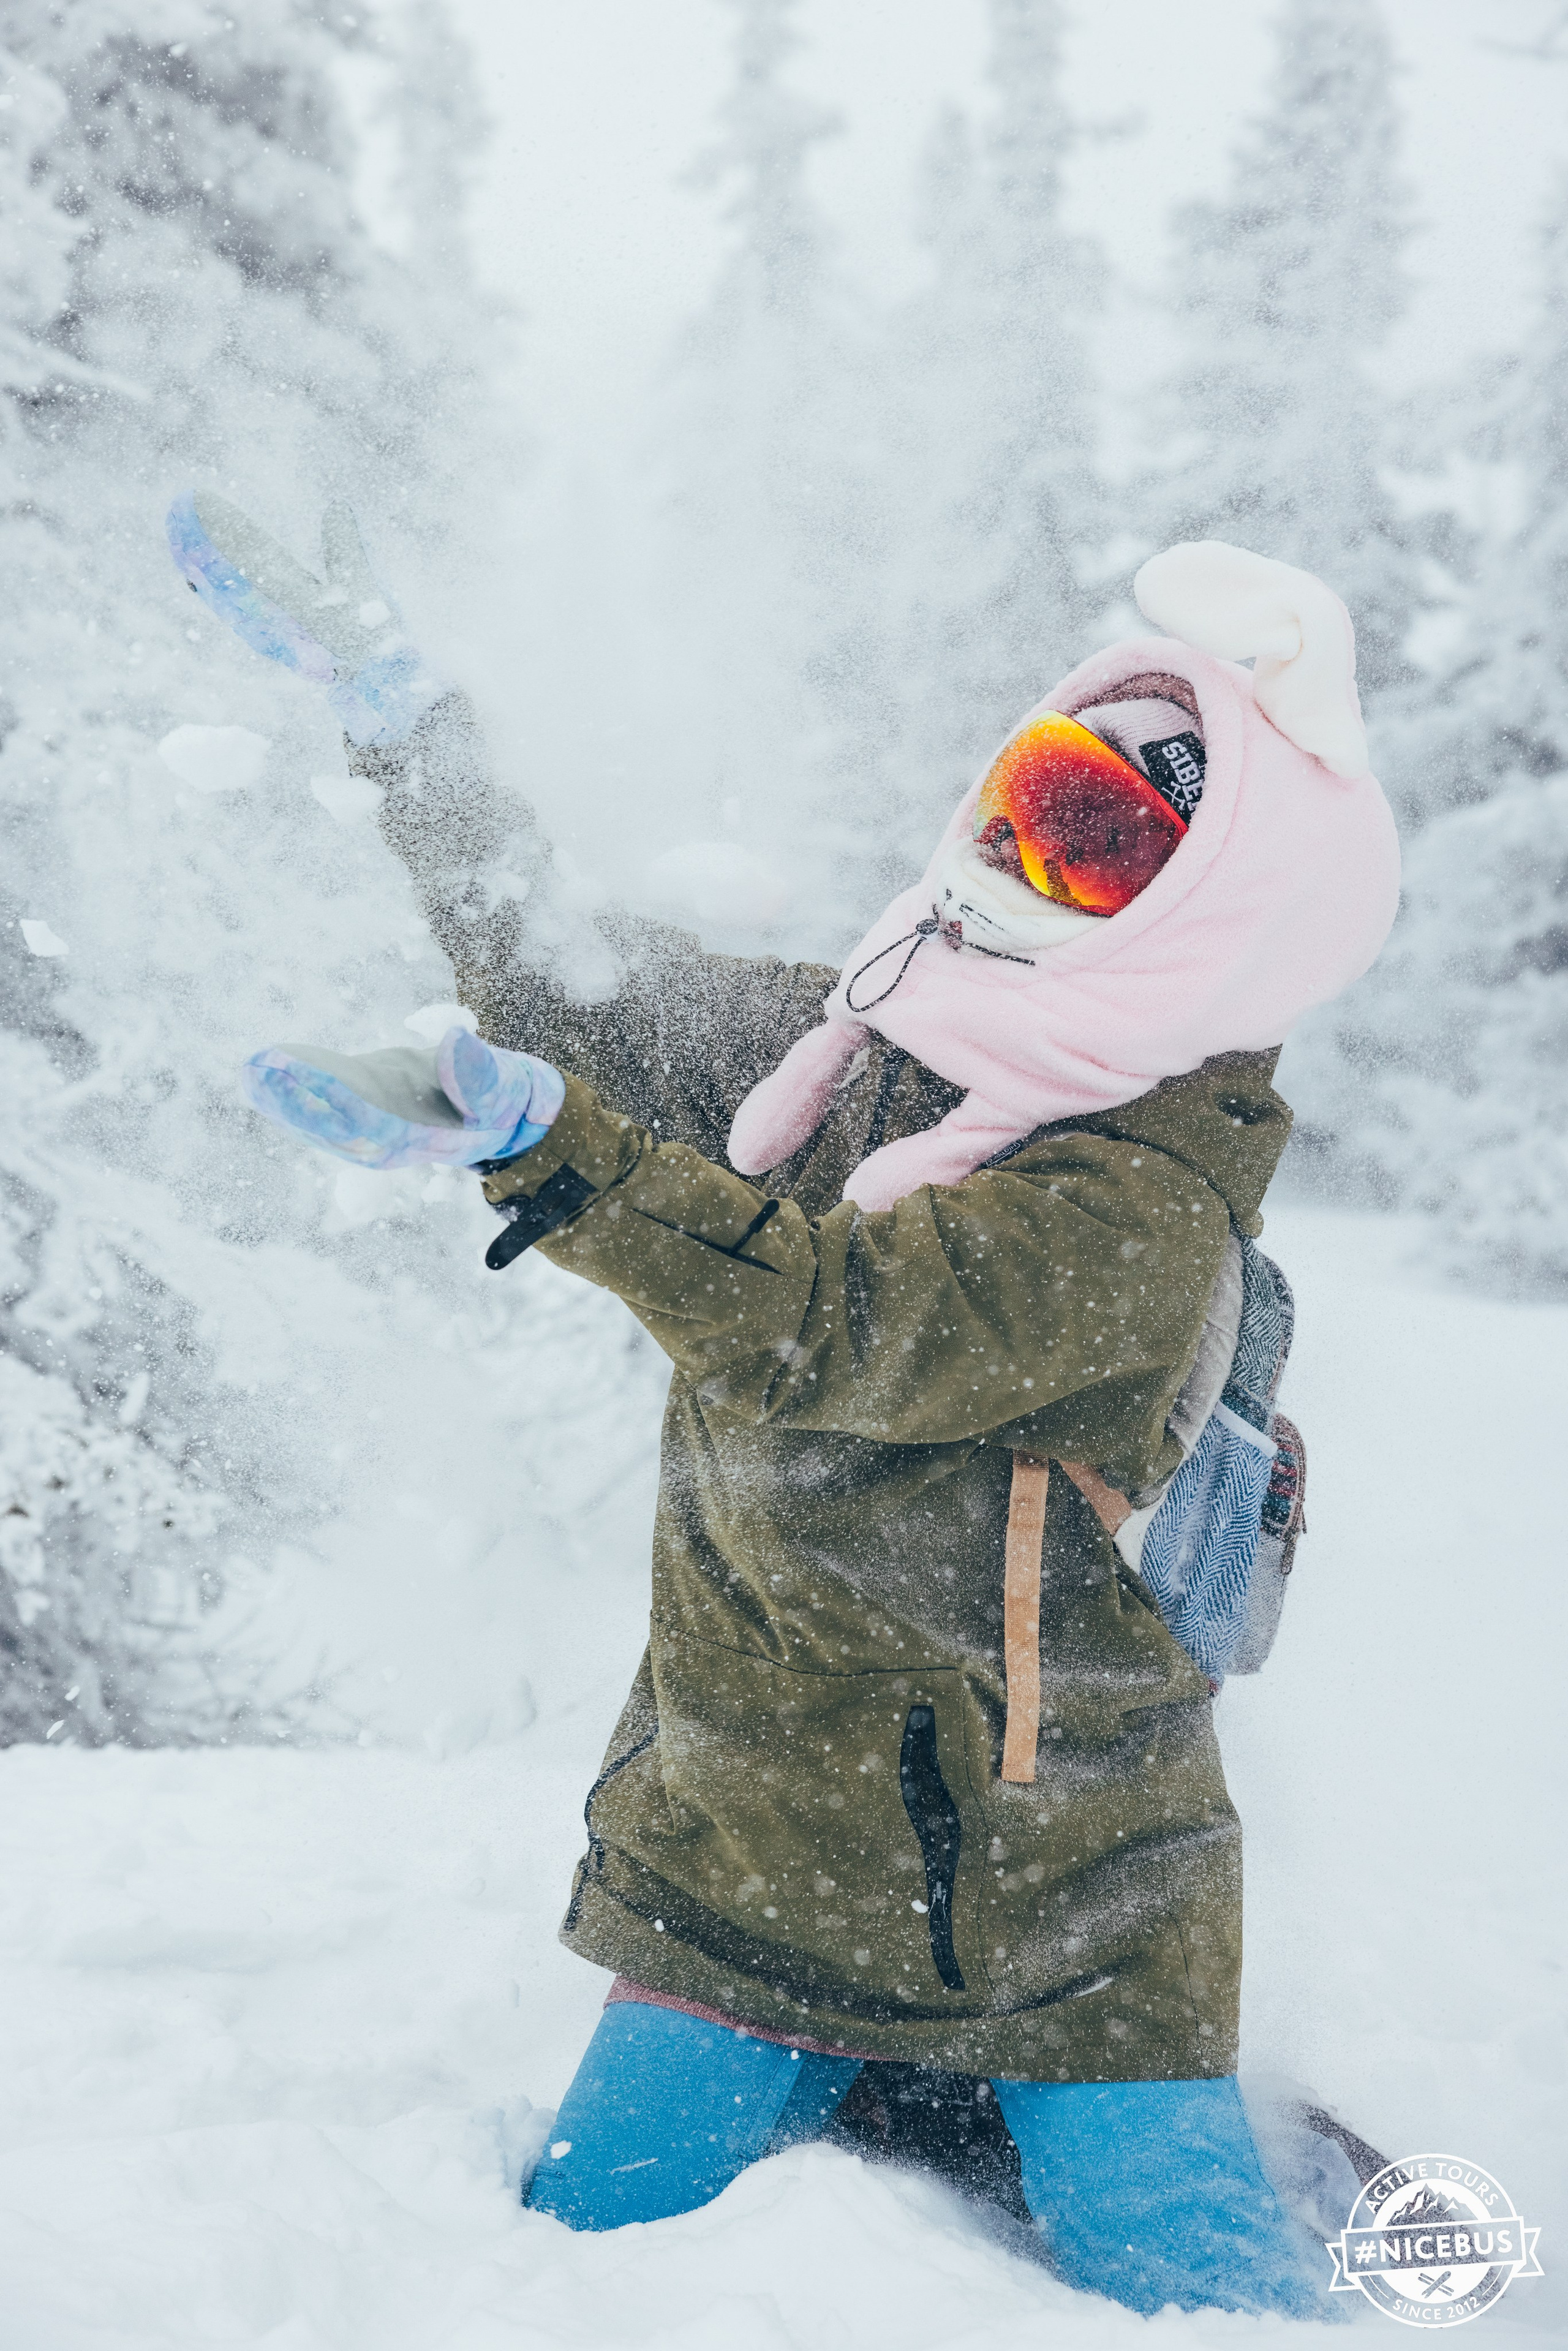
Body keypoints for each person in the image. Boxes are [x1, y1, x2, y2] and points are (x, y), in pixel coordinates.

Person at [169, 496, 1399, 2317]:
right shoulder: (879, 1033)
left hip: (1070, 1908)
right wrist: (411, 727)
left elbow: (830, 1325)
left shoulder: (1135, 1211)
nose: (1015, 847)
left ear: (1215, 920)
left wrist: (548, 1150)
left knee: (1205, 2302)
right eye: (1035, 789)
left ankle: (1128, 2122)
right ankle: (909, 2095)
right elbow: (580, 991)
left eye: (1095, 843)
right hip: (748, 1864)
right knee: (569, 2269)